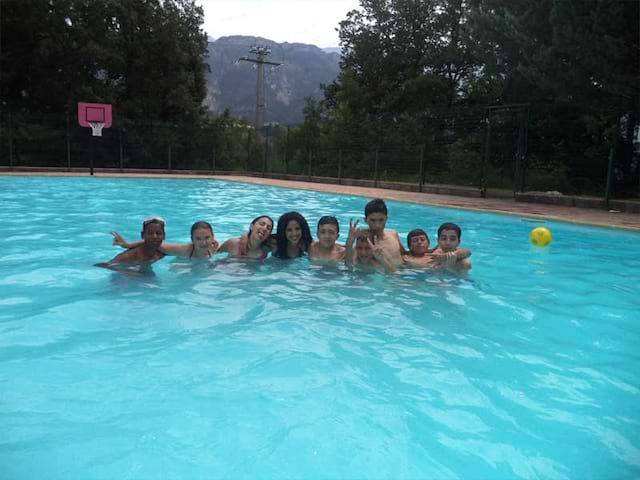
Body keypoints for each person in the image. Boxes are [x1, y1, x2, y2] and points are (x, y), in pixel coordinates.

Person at [111, 221, 219, 260]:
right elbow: (155, 242)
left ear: (213, 237)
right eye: (198, 239)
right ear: (192, 239)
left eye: (207, 238)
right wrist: (127, 245)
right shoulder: (184, 250)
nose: (203, 242)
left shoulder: (215, 248)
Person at [95, 217, 166, 273]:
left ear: (164, 236)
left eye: (158, 233)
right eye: (150, 233)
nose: (154, 236)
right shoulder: (130, 256)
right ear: (142, 235)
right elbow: (106, 265)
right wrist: (130, 273)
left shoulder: (162, 253)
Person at [361, 198, 404, 268]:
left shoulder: (393, 234)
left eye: (381, 220)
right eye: (373, 220)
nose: (377, 225)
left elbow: (405, 254)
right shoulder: (364, 241)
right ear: (366, 220)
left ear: (386, 218)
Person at [402, 227, 470, 269]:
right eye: (415, 241)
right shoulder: (406, 258)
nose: (419, 242)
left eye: (422, 239)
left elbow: (467, 252)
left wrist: (445, 256)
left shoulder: (438, 251)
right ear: (409, 246)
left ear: (428, 243)